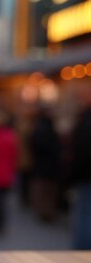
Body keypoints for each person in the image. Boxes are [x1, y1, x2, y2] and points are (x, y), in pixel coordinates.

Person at [29, 108, 61, 222]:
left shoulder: (39, 127)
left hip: (42, 165)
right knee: (47, 191)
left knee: (43, 191)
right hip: (48, 165)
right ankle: (46, 212)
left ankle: (44, 212)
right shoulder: (47, 129)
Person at [71, 80, 91, 249]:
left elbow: (82, 149)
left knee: (85, 214)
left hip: (85, 175)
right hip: (84, 174)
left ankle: (82, 252)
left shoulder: (85, 120)